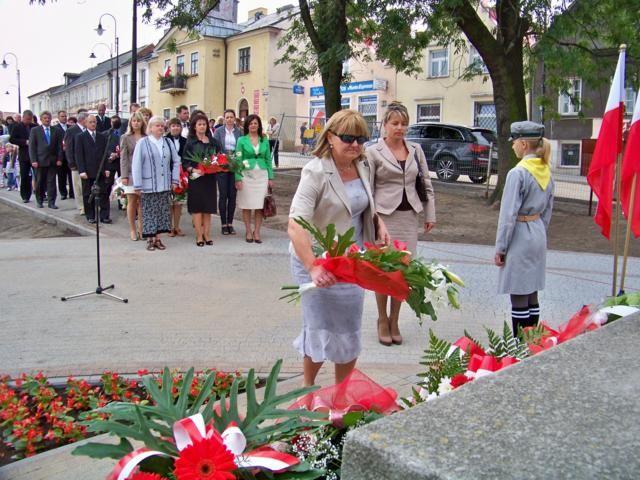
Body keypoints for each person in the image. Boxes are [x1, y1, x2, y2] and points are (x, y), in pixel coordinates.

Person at [288, 109, 390, 386]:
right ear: (330, 138)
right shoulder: (315, 171)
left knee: (348, 329)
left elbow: (361, 204)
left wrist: (378, 222)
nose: (355, 145)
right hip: (317, 262)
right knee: (320, 328)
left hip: (352, 261)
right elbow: (295, 225)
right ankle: (308, 390)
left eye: (361, 138)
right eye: (347, 138)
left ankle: (341, 395)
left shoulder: (363, 165)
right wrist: (313, 267)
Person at [366, 102, 436, 346]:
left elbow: (425, 182)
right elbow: (368, 189)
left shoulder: (416, 149)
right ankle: (382, 319)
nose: (400, 128)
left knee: (403, 273)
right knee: (384, 272)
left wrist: (430, 214)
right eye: (395, 123)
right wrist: (373, 221)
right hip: (385, 218)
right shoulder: (373, 152)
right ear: (384, 125)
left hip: (409, 217)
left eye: (404, 123)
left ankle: (395, 319)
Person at [495, 121, 554, 335]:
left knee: (519, 291)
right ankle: (532, 342)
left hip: (520, 233)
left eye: (514, 142)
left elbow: (508, 215)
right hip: (537, 231)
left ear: (522, 144)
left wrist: (501, 248)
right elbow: (548, 209)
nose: (512, 146)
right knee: (532, 292)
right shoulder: (544, 170)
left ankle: (520, 347)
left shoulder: (517, 173)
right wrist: (539, 229)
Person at [131, 116, 180, 251]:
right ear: (150, 128)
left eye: (162, 125)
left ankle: (158, 238)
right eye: (157, 125)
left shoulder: (168, 142)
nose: (160, 128)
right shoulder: (143, 142)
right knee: (149, 212)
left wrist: (175, 180)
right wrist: (138, 185)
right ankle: (150, 239)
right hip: (148, 184)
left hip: (164, 184)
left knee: (162, 211)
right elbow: (136, 164)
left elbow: (176, 161)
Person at [182, 113, 221, 246]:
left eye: (204, 124)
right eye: (199, 124)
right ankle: (199, 236)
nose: (202, 126)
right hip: (196, 179)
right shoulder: (190, 143)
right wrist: (194, 170)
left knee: (207, 208)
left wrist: (217, 165)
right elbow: (185, 162)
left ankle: (207, 234)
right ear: (194, 127)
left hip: (209, 179)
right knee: (197, 208)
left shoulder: (213, 142)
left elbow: (219, 157)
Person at [234, 114, 273, 243]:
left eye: (255, 123)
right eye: (251, 123)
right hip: (246, 176)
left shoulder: (264, 139)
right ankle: (248, 230)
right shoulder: (241, 140)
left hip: (262, 176)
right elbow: (238, 159)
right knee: (247, 205)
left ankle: (257, 231)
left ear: (259, 125)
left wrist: (270, 177)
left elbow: (268, 159)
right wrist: (238, 178)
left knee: (259, 205)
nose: (253, 125)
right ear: (247, 125)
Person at [74, 115, 112, 224]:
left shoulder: (101, 137)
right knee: (88, 194)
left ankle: (104, 216)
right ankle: (90, 215)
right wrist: (81, 170)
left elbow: (105, 154)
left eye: (94, 122)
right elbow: (79, 155)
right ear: (85, 123)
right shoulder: (80, 137)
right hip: (87, 171)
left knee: (103, 193)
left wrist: (107, 168)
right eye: (90, 122)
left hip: (100, 170)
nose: (93, 124)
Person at [213, 109, 242, 235]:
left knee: (232, 195)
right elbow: (215, 147)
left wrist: (236, 158)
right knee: (223, 195)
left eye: (231, 117)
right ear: (224, 119)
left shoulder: (239, 132)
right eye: (227, 117)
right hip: (222, 166)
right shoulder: (218, 131)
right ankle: (223, 223)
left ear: (235, 118)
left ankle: (230, 223)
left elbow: (241, 149)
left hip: (235, 165)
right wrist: (223, 157)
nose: (229, 119)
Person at [120, 112, 147, 240]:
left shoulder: (146, 137)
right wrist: (124, 175)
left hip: (144, 174)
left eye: (138, 121)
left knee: (142, 202)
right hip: (130, 173)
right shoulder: (125, 137)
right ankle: (132, 229)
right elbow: (123, 158)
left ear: (142, 123)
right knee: (132, 201)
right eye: (134, 121)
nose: (136, 123)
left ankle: (142, 228)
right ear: (130, 123)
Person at [28, 111, 64, 209]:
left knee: (51, 182)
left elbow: (59, 146)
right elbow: (32, 147)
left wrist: (60, 158)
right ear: (41, 119)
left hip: (52, 161)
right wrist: (33, 160)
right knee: (40, 182)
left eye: (48, 118)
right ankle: (39, 200)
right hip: (40, 161)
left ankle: (51, 202)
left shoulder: (56, 130)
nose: (47, 120)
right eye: (45, 118)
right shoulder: (35, 130)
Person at [165, 117, 187, 237]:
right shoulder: (164, 140)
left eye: (178, 126)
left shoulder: (185, 141)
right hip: (168, 173)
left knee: (178, 202)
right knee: (169, 202)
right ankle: (169, 227)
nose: (176, 128)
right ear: (169, 127)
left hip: (181, 173)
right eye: (173, 126)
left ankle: (176, 226)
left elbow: (187, 156)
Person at [64, 110, 89, 215]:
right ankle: (81, 206)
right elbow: (68, 148)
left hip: (88, 162)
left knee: (87, 186)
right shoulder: (71, 131)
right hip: (76, 163)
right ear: (83, 120)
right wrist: (72, 163)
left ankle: (88, 205)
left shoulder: (88, 130)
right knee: (78, 186)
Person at [9, 110, 35, 203]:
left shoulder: (34, 126)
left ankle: (41, 194)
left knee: (37, 175)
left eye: (30, 119)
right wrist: (24, 142)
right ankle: (25, 196)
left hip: (34, 155)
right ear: (23, 117)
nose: (29, 121)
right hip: (24, 155)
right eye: (27, 119)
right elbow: (12, 139)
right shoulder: (17, 127)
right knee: (24, 176)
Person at [54, 110, 73, 200]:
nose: (64, 118)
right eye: (62, 116)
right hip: (60, 155)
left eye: (65, 116)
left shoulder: (70, 127)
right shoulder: (55, 128)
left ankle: (72, 192)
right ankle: (63, 193)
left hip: (70, 155)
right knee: (61, 175)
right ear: (58, 118)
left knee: (71, 174)